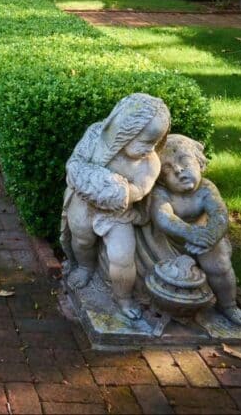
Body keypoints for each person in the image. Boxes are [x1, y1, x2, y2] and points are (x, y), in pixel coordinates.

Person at [61, 94, 171, 320]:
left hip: (118, 213)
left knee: (122, 256)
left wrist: (116, 191)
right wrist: (93, 181)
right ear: (125, 131)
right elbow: (75, 164)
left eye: (155, 142)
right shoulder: (96, 136)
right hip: (84, 204)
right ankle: (85, 267)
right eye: (145, 141)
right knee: (81, 241)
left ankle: (124, 298)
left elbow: (140, 190)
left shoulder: (149, 163)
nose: (150, 149)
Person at [148, 135, 241, 328]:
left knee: (219, 265)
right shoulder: (161, 193)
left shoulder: (206, 188)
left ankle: (228, 305)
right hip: (167, 242)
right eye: (167, 169)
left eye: (185, 161)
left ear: (199, 162)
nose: (178, 170)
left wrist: (211, 236)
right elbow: (163, 217)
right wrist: (190, 233)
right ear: (161, 180)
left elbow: (219, 214)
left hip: (204, 237)